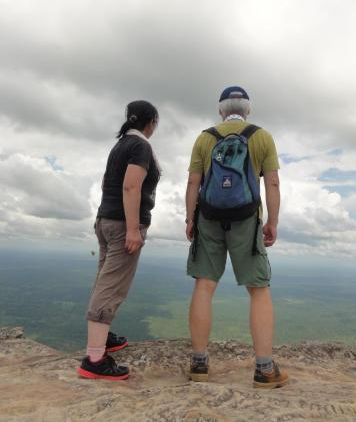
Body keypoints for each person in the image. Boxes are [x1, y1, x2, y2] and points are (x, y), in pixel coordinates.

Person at [185, 86, 288, 388]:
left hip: (209, 219)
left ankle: (200, 364)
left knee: (204, 284)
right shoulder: (261, 136)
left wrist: (191, 219)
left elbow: (193, 182)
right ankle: (264, 369)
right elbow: (273, 182)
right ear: (247, 110)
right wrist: (273, 221)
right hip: (247, 220)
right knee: (258, 288)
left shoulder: (205, 138)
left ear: (220, 110)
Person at [77, 100, 161, 380]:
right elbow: (130, 185)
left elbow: (106, 183)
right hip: (122, 223)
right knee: (112, 287)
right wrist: (133, 229)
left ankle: (103, 338)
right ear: (151, 123)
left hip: (105, 220)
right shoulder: (140, 146)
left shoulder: (120, 145)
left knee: (104, 280)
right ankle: (95, 359)